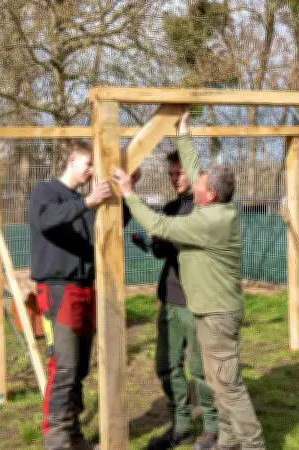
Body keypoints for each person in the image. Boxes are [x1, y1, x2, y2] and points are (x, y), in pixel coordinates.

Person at [111, 109, 266, 450]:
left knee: (228, 384)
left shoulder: (208, 222)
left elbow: (160, 227)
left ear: (209, 194)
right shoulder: (214, 206)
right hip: (210, 310)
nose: (192, 182)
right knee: (216, 379)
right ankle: (226, 441)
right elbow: (197, 171)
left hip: (216, 314)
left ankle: (253, 444)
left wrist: (128, 193)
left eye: (198, 184)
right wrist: (184, 133)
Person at [29, 139, 138, 450]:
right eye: (88, 163)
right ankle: (57, 440)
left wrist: (125, 194)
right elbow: (45, 220)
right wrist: (88, 202)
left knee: (79, 367)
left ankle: (73, 434)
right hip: (57, 288)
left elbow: (101, 231)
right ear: (71, 160)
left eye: (94, 165)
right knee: (63, 366)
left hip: (86, 287)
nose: (91, 170)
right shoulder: (46, 192)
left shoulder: (83, 199)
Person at [136, 151, 219, 450]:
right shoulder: (171, 207)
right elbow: (164, 252)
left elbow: (184, 239)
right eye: (170, 174)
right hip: (170, 297)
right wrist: (151, 242)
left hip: (196, 301)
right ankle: (181, 424)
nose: (174, 180)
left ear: (194, 174)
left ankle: (212, 428)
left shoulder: (204, 209)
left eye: (179, 174)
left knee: (199, 369)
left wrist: (162, 233)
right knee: (166, 365)